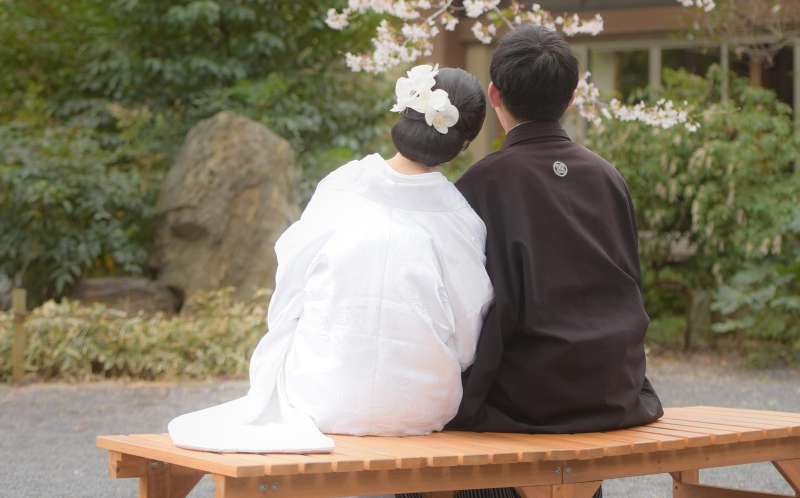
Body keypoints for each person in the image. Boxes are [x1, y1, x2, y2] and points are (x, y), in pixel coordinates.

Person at [168, 65, 494, 454]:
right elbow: (468, 337)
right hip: (420, 408)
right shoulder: (460, 219)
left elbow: (289, 292)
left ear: (405, 110)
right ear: (464, 144)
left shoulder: (342, 186)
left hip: (319, 396)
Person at [448, 24, 663, 439]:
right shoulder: (607, 176)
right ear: (570, 97)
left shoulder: (481, 183)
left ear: (494, 94)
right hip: (616, 386)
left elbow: (467, 306)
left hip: (531, 397)